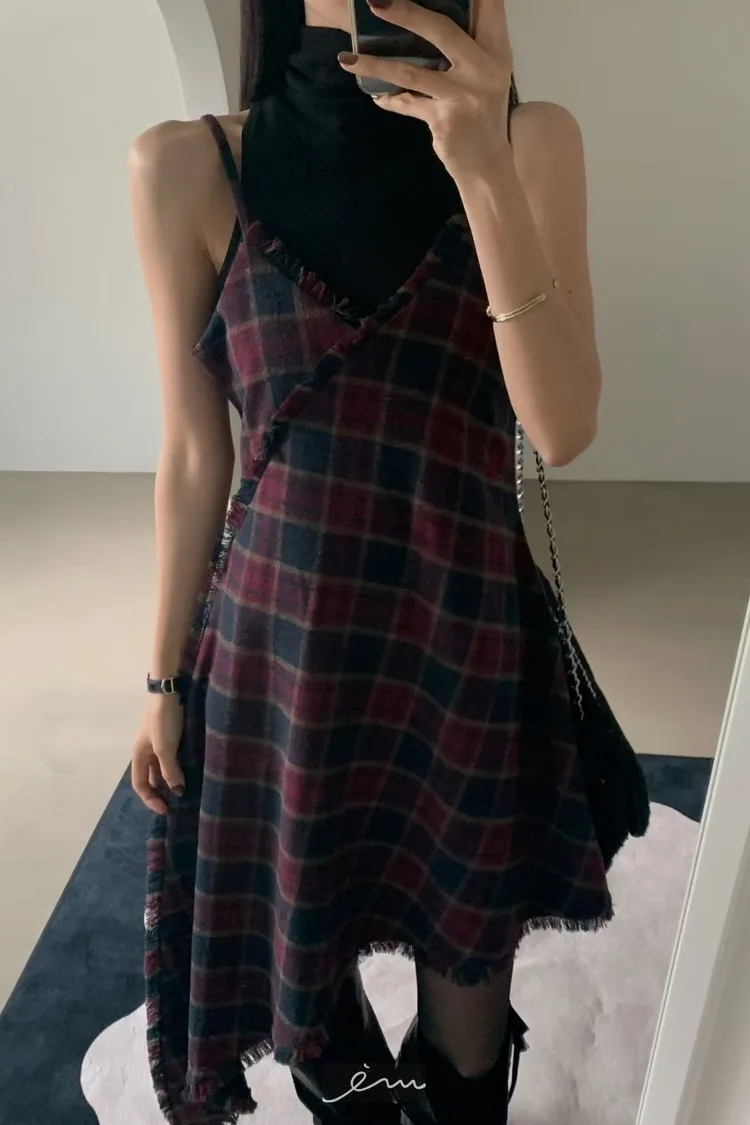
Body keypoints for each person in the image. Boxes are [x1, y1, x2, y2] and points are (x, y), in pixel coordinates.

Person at [129, 1, 613, 1123]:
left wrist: (482, 165)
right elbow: (195, 452)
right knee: (316, 997)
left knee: (466, 1049)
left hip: (464, 638)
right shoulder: (186, 166)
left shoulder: (534, 143)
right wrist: (161, 679)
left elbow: (564, 427)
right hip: (280, 652)